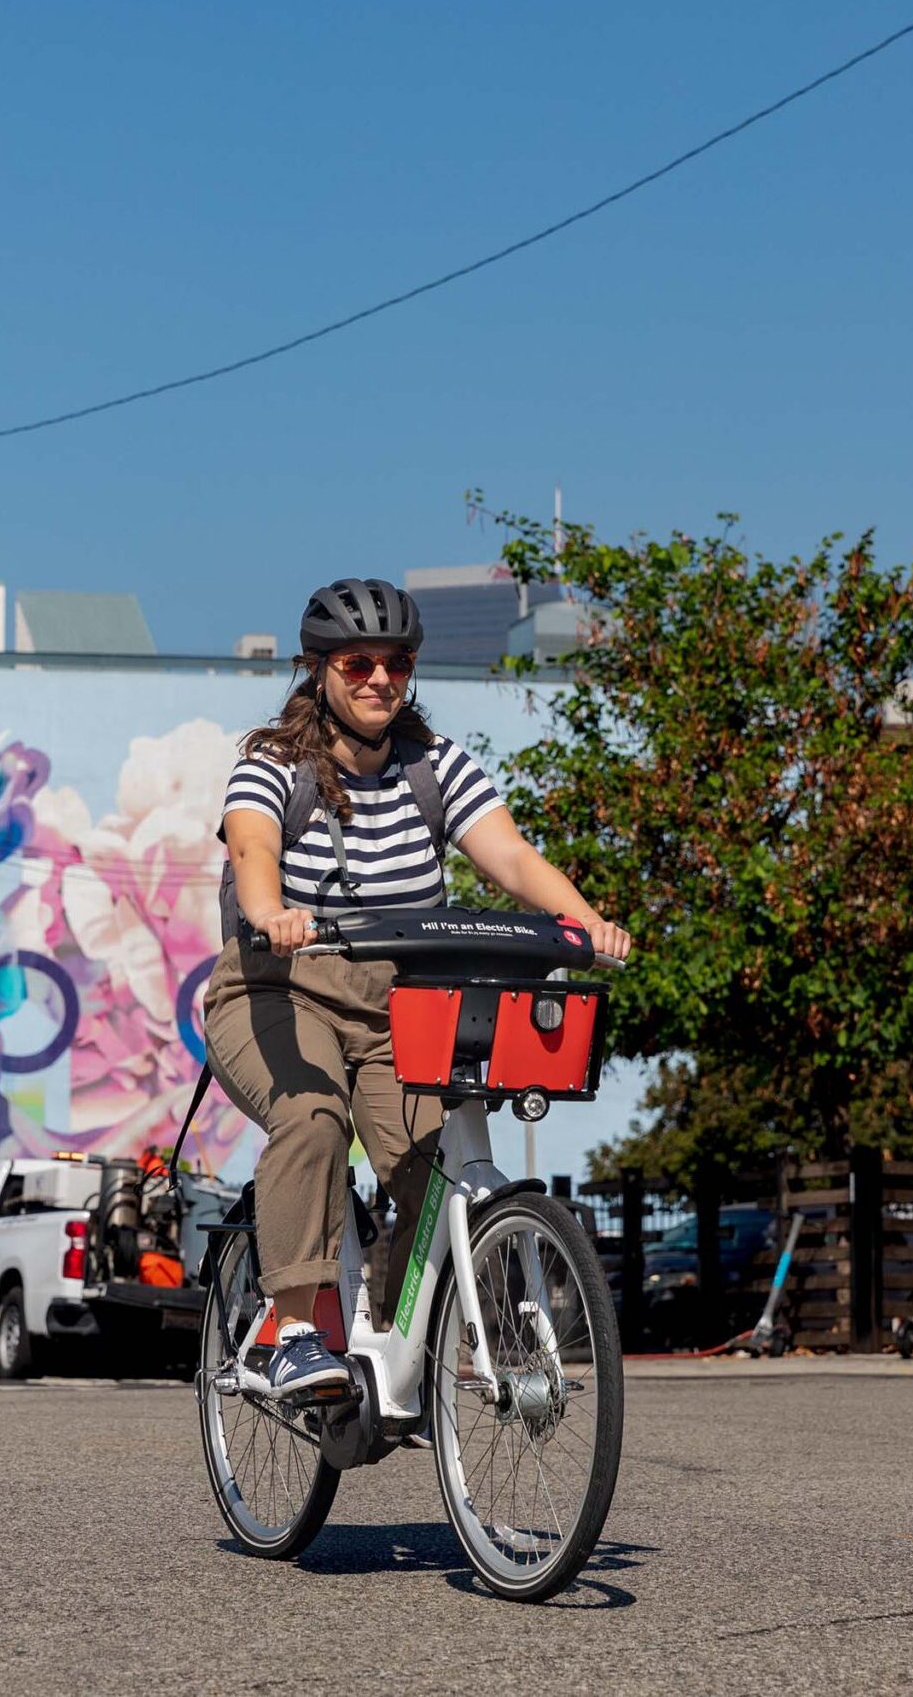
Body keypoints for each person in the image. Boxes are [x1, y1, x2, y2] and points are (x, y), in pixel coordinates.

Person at [203, 579, 631, 1397]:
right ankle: (291, 1329)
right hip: (279, 986)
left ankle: (402, 1342)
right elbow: (251, 846)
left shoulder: (435, 767)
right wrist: (269, 910)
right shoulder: (273, 764)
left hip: (402, 1002)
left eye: (395, 662)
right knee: (313, 1116)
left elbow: (507, 855)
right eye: (357, 662)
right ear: (317, 669)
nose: (378, 679)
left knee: (432, 1169)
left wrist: (584, 924)